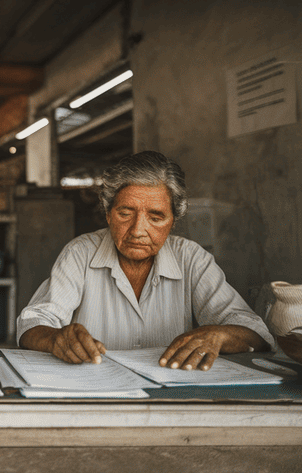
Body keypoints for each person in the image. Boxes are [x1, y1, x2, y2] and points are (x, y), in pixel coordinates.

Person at [17, 151, 273, 371]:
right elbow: (34, 322)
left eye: (156, 217)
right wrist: (55, 338)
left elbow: (255, 332)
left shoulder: (191, 258)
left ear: (174, 221)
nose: (138, 230)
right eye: (125, 213)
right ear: (108, 215)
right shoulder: (80, 253)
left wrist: (220, 334)